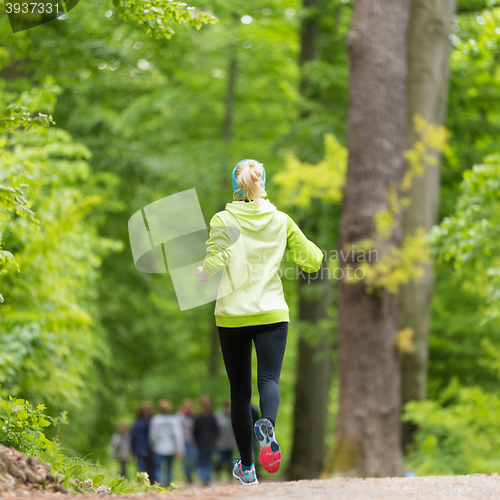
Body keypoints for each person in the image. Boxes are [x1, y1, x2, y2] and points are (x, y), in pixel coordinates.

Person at [196, 159, 322, 485]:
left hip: (232, 316)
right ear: (261, 183)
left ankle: (248, 468)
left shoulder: (223, 218)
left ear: (235, 186)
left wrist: (203, 272)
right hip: (271, 314)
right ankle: (267, 423)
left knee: (239, 392)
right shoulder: (281, 220)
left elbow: (218, 257)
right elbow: (311, 260)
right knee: (269, 380)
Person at [149, 399, 185, 487]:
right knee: (169, 469)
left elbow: (153, 435)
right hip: (171, 448)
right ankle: (168, 485)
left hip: (158, 448)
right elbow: (177, 435)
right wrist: (180, 449)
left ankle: (159, 485)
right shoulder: (173, 419)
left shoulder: (156, 419)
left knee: (158, 469)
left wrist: (152, 445)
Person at [193, 395, 219, 487]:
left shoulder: (198, 417)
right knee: (207, 462)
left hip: (201, 443)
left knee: (202, 462)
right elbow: (216, 431)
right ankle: (206, 479)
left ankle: (204, 479)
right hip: (209, 442)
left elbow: (195, 432)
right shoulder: (212, 417)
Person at [131, 401, 156, 484]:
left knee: (151, 468)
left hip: (152, 448)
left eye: (149, 409)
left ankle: (152, 484)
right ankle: (142, 484)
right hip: (140, 447)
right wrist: (133, 448)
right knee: (141, 468)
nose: (147, 411)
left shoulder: (153, 420)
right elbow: (133, 436)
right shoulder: (138, 422)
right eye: (146, 409)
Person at [177, 398, 198, 484]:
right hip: (183, 441)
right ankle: (188, 476)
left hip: (193, 441)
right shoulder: (180, 416)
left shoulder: (194, 416)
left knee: (194, 459)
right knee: (186, 460)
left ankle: (191, 473)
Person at [214, 401, 237, 479]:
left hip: (231, 442)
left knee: (230, 459)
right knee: (221, 458)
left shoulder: (233, 416)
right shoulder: (218, 416)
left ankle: (230, 473)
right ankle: (218, 471)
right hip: (221, 442)